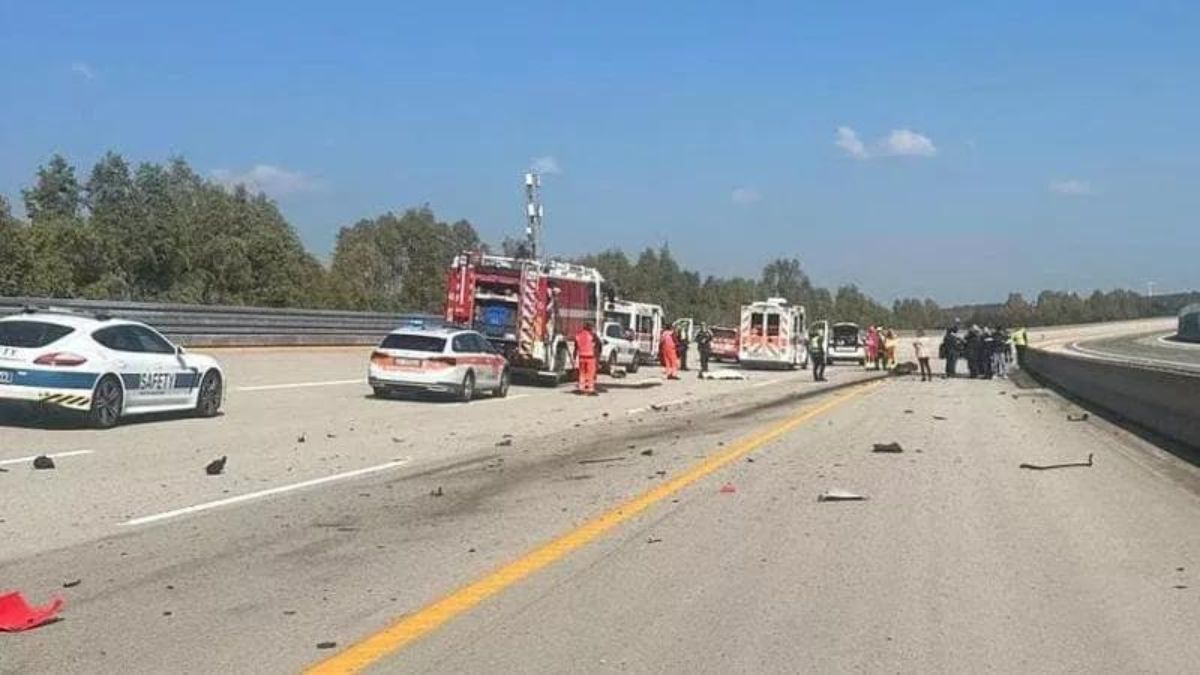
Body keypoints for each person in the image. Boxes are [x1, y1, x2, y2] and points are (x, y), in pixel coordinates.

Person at [574, 322, 598, 395]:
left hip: (581, 356)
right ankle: (590, 389)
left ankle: (581, 387)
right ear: (590, 327)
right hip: (590, 357)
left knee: (582, 373)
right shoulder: (592, 335)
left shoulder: (578, 335)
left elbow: (576, 347)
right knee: (590, 374)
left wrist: (574, 356)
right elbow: (597, 344)